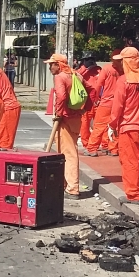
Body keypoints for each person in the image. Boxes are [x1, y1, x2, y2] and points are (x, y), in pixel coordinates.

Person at [109, 47, 139, 204]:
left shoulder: (123, 81)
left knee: (130, 162)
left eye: (122, 60)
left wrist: (112, 125)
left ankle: (134, 194)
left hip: (128, 127)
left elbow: (117, 107)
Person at [45, 53, 86, 199]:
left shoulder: (60, 77)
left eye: (52, 64)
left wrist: (59, 113)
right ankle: (64, 184)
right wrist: (84, 109)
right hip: (76, 118)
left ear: (59, 64)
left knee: (68, 153)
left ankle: (72, 188)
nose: (50, 67)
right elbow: (90, 90)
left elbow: (61, 96)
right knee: (67, 150)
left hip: (66, 119)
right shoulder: (76, 75)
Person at [85, 49, 122, 157]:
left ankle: (92, 148)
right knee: (115, 127)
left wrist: (95, 99)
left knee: (99, 126)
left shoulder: (106, 68)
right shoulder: (124, 70)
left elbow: (98, 85)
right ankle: (113, 149)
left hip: (106, 102)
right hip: (118, 104)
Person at [75, 53, 103, 150]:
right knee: (85, 123)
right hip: (87, 101)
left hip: (98, 101)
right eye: (88, 59)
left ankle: (103, 144)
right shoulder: (80, 71)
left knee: (100, 123)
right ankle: (86, 143)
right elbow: (76, 77)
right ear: (83, 61)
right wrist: (85, 69)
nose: (90, 61)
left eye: (92, 59)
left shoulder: (99, 70)